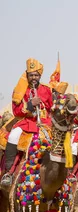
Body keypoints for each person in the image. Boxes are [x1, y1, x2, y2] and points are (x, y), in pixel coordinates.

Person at [1, 58, 53, 188]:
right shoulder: (19, 90)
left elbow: (52, 108)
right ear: (27, 75)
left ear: (40, 76)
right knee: (13, 136)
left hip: (45, 124)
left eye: (36, 75)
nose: (34, 77)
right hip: (26, 122)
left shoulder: (47, 90)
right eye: (31, 75)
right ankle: (8, 172)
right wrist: (29, 105)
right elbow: (16, 112)